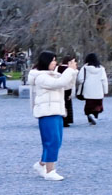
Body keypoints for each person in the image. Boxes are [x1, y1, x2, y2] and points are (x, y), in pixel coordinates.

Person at [29, 50, 78, 181]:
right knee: (52, 141)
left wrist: (73, 72)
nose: (55, 62)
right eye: (53, 60)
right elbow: (59, 83)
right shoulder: (41, 77)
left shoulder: (53, 75)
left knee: (56, 141)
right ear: (46, 62)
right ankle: (50, 171)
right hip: (47, 112)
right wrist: (69, 71)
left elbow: (67, 84)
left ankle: (41, 164)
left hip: (56, 111)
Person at [76, 53, 109, 125]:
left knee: (89, 105)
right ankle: (95, 117)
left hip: (88, 90)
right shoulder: (101, 68)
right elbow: (104, 80)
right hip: (98, 90)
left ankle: (90, 116)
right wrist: (105, 91)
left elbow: (80, 79)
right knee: (97, 105)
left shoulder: (84, 68)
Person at [59, 55, 77, 127]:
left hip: (59, 88)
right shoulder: (71, 70)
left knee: (61, 104)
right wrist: (72, 93)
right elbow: (72, 82)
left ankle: (61, 119)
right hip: (67, 89)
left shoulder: (58, 68)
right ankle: (66, 120)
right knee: (67, 105)